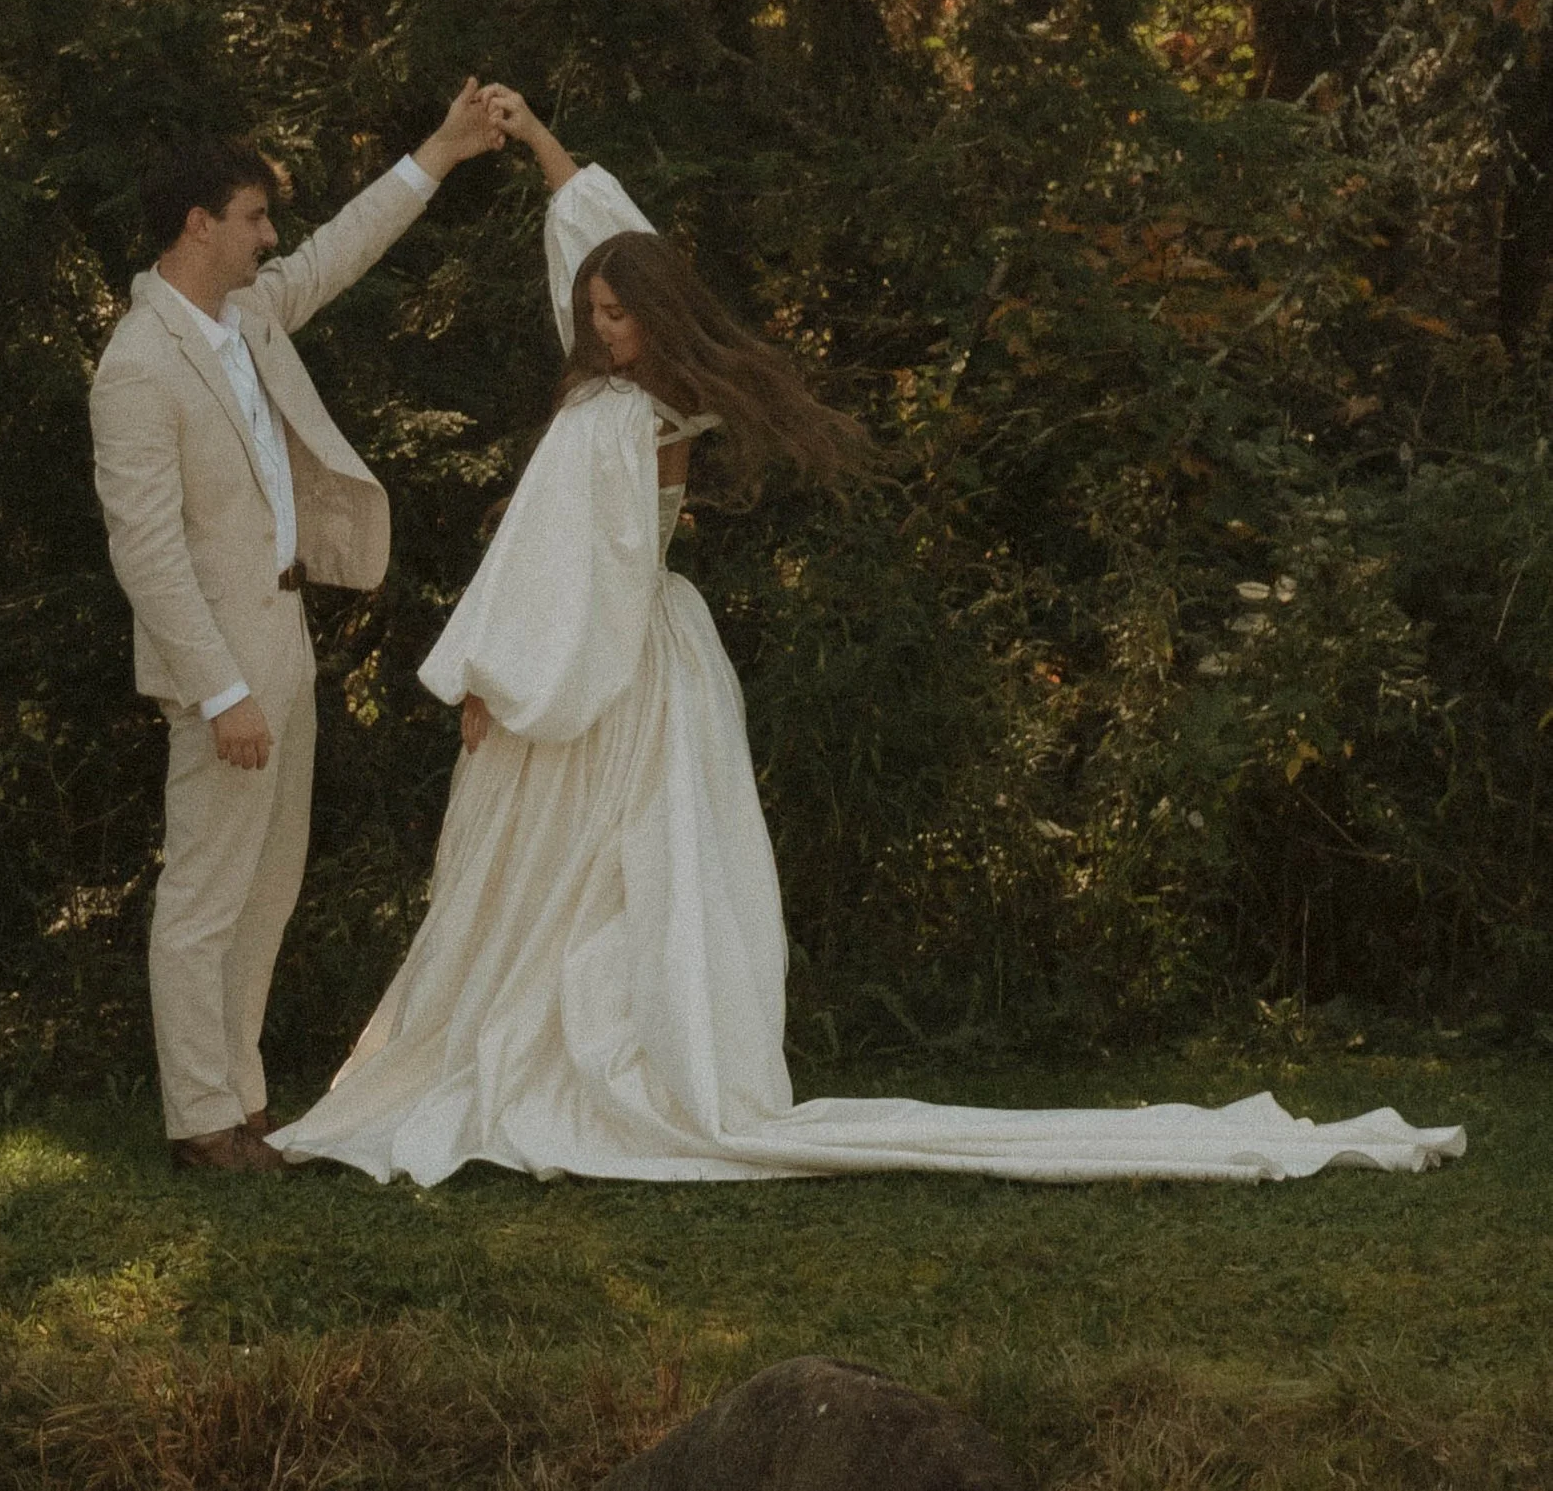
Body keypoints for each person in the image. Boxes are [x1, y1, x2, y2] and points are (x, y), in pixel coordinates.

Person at [270, 88, 1467, 1186]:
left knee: (604, 877)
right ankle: (591, 1049)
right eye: (593, 311)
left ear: (650, 320)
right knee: (605, 883)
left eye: (615, 313)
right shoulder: (650, 393)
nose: (598, 323)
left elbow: (565, 571)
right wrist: (534, 146)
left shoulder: (610, 420)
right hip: (657, 658)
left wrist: (492, 682)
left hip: (604, 672)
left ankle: (590, 1069)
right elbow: (606, 240)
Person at [89, 83, 506, 1173]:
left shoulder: (247, 318)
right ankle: (196, 1123)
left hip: (284, 633)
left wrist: (445, 151)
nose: (272, 237)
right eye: (255, 218)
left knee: (267, 889)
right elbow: (146, 550)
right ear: (198, 226)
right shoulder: (138, 363)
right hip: (218, 659)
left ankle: (242, 1103)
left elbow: (340, 251)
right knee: (204, 893)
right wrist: (219, 689)